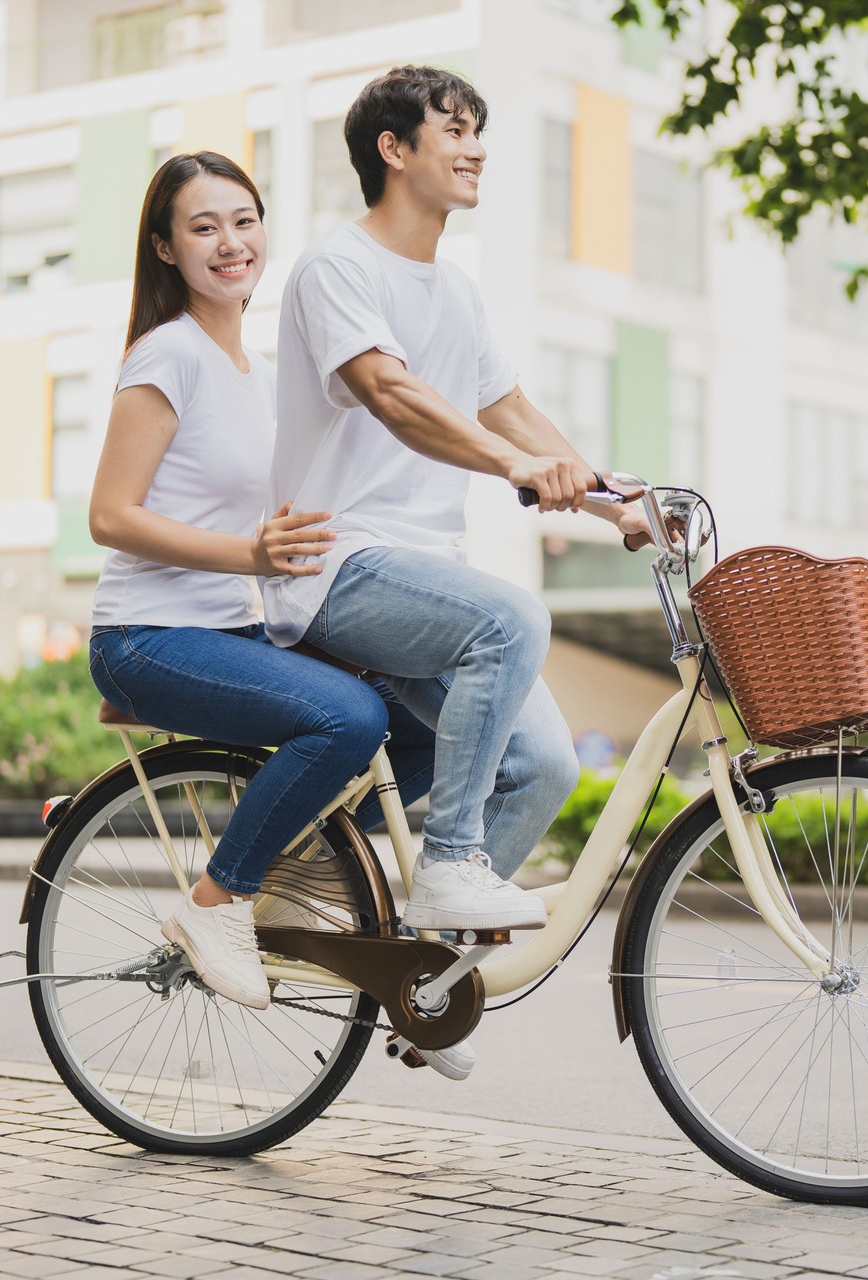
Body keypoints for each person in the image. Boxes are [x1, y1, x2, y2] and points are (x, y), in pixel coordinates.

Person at [265, 67, 652, 940]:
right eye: (455, 131)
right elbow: (393, 396)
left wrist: (609, 497)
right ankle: (447, 869)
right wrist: (518, 464)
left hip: (423, 574)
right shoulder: (338, 266)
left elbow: (510, 412)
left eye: (479, 132)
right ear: (392, 149)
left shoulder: (456, 292)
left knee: (547, 768)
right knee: (513, 620)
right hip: (336, 563)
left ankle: (422, 976)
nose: (477, 149)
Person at [86, 150, 432, 1014]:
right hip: (148, 636)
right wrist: (251, 556)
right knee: (348, 717)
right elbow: (111, 517)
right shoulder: (168, 357)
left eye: (244, 220)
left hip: (234, 631)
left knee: (421, 720)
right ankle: (217, 902)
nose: (230, 242)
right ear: (166, 249)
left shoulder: (258, 371)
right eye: (203, 227)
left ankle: (293, 881)